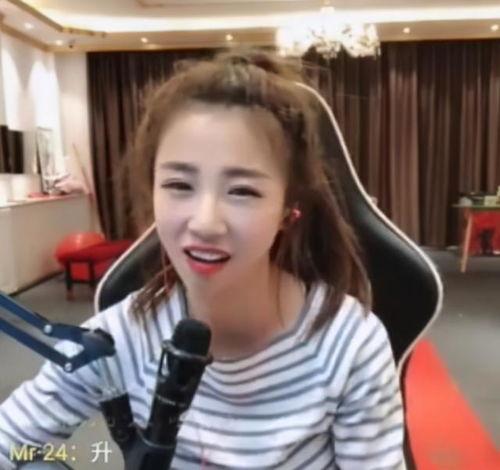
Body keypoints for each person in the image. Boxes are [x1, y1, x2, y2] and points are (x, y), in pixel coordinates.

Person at [0, 49, 405, 469]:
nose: (205, 223)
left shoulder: (348, 344)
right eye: (179, 185)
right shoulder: (122, 338)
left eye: (243, 191)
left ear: (289, 209)